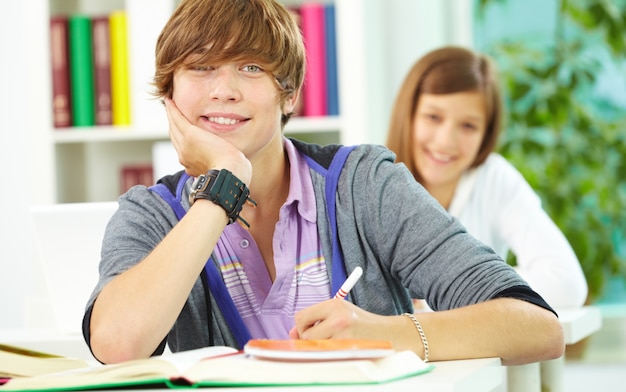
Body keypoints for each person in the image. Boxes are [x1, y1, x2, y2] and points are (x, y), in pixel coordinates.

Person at [83, 0, 564, 366]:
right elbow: (118, 346)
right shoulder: (150, 213)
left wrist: (387, 333)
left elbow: (537, 327)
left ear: (287, 93)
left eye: (251, 68)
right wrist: (221, 190)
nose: (224, 89)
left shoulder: (364, 184)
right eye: (200, 67)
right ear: (168, 94)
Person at [385, 46, 588, 310]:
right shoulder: (371, 182)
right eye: (433, 117)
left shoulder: (494, 179)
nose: (446, 141)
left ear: (486, 134)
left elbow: (566, 284)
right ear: (407, 115)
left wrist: (455, 287)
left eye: (468, 126)